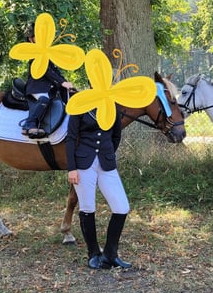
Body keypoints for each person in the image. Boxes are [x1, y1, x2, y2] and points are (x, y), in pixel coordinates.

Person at [66, 105, 133, 270]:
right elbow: (71, 138)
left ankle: (110, 254)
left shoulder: (113, 108)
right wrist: (72, 168)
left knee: (122, 207)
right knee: (88, 207)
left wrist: (107, 153)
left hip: (106, 163)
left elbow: (116, 136)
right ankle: (93, 253)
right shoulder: (80, 106)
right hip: (83, 164)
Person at [21, 23, 74, 138]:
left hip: (48, 88)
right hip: (36, 87)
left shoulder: (48, 54)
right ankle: (29, 124)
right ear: (31, 39)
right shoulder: (34, 53)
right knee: (44, 99)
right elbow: (45, 71)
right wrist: (61, 82)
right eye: (37, 36)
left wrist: (66, 83)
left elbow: (54, 71)